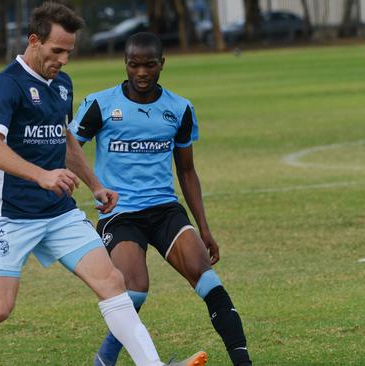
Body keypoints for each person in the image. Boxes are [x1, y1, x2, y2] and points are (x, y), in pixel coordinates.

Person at [0, 4, 207, 366]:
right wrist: (42, 175)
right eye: (57, 51)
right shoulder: (7, 85)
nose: (64, 59)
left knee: (112, 283)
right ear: (34, 41)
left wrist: (95, 184)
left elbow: (66, 141)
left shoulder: (62, 85)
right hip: (12, 214)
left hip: (59, 212)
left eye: (69, 51)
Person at [68, 32, 252, 366]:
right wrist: (92, 185)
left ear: (161, 64)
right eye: (134, 65)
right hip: (120, 213)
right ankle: (104, 361)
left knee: (207, 277)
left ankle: (243, 362)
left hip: (165, 210)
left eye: (149, 65)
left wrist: (204, 228)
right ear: (125, 64)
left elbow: (187, 171)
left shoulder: (179, 109)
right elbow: (69, 150)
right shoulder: (101, 104)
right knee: (135, 288)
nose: (141, 72)